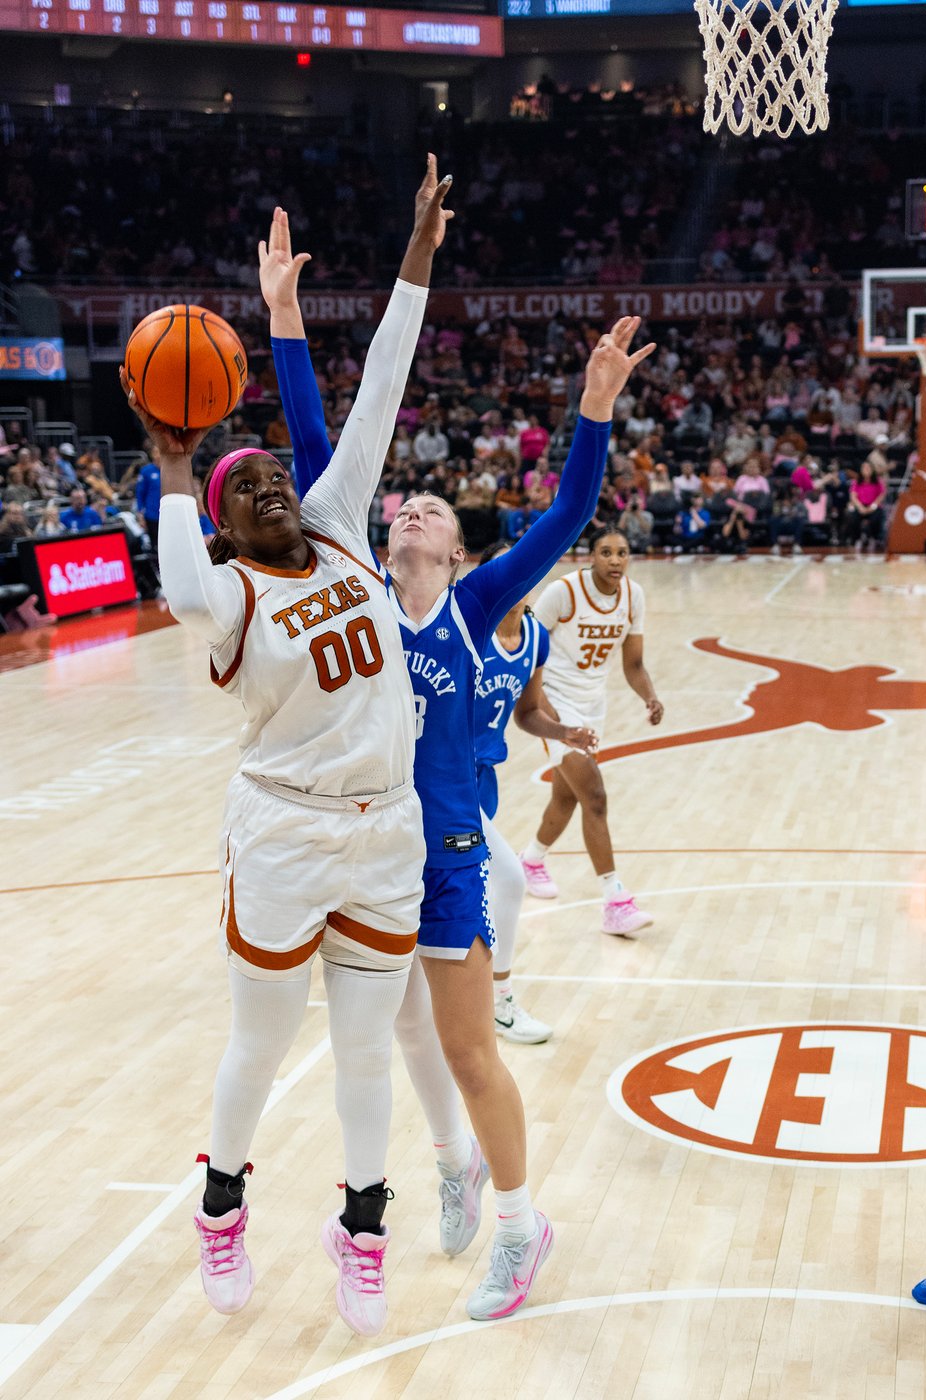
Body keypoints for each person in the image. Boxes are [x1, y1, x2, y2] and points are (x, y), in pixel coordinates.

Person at [276, 270, 655, 1317]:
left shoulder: (479, 605)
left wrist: (593, 405)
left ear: (452, 552)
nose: (419, 504)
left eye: (437, 509)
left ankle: (523, 1228)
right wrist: (285, 317)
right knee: (398, 1033)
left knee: (465, 1046)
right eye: (409, 499)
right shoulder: (353, 579)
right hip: (357, 852)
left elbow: (572, 510)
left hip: (442, 852)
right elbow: (316, 448)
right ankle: (452, 1162)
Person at [120, 158, 453, 1340]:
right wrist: (169, 457)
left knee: (367, 1049)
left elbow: (383, 390)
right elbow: (174, 584)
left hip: (387, 832)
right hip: (283, 829)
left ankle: (363, 1224)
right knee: (260, 1041)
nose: (266, 474)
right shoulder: (223, 592)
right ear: (221, 518)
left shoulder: (343, 526)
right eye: (240, 478)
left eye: (272, 467)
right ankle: (222, 1204)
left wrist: (418, 247)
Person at [474, 540, 599, 1045]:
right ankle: (498, 1001)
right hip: (439, 777)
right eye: (501, 564)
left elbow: (527, 713)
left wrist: (562, 731)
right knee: (507, 880)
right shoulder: (467, 622)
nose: (513, 572)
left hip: (482, 778)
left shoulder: (532, 638)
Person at [519, 526, 664, 935]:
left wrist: (649, 697)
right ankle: (615, 900)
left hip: (593, 706)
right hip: (552, 700)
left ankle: (530, 861)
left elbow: (633, 665)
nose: (615, 560)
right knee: (595, 796)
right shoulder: (563, 592)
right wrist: (548, 715)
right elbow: (529, 647)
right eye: (606, 552)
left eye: (622, 553)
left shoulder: (634, 597)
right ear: (591, 556)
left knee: (567, 795)